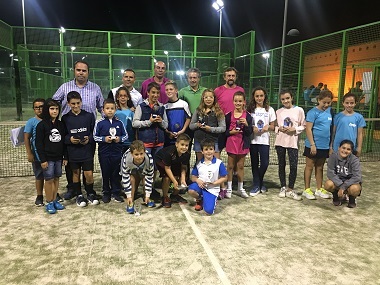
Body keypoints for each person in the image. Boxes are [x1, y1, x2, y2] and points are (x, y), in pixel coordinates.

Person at [52, 60, 104, 200]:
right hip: (70, 131)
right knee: (71, 165)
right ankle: (73, 189)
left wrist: (110, 121)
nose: (81, 73)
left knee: (87, 164)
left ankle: (89, 190)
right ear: (74, 71)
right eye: (78, 70)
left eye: (84, 70)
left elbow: (101, 107)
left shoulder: (95, 88)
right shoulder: (64, 87)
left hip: (88, 132)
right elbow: (54, 103)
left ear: (88, 72)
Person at [61, 91, 99, 207]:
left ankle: (90, 193)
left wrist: (89, 139)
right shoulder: (65, 118)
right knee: (75, 173)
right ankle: (79, 195)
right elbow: (63, 136)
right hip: (73, 152)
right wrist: (70, 139)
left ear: (81, 102)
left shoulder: (88, 116)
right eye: (73, 104)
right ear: (68, 104)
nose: (76, 106)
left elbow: (94, 133)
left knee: (89, 175)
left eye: (78, 103)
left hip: (86, 151)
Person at [132, 82, 168, 202]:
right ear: (148, 93)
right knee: (144, 168)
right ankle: (143, 192)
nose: (155, 95)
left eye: (157, 92)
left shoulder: (162, 107)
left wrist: (161, 121)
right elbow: (135, 123)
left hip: (159, 143)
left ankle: (150, 190)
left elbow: (166, 125)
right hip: (146, 143)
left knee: (155, 168)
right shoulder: (141, 106)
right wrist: (149, 122)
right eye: (153, 92)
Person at [35, 99, 67, 214]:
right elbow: (38, 144)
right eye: (52, 109)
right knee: (49, 180)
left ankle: (54, 200)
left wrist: (65, 157)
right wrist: (42, 159)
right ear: (47, 110)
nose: (55, 111)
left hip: (58, 158)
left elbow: (64, 142)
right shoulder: (41, 125)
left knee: (57, 178)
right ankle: (49, 202)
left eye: (57, 109)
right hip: (47, 159)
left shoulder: (61, 124)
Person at [218, 91, 253, 199]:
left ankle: (240, 188)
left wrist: (246, 125)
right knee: (230, 166)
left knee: (240, 166)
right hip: (231, 143)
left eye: (240, 101)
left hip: (242, 144)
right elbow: (225, 131)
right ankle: (229, 188)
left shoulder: (248, 115)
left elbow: (249, 132)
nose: (238, 103)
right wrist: (231, 132)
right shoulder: (228, 115)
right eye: (236, 101)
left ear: (244, 102)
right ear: (233, 102)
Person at [94, 98, 128, 203]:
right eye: (107, 108)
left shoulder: (119, 123)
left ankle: (116, 192)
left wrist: (119, 139)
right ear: (103, 110)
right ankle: (106, 192)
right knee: (105, 172)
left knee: (115, 173)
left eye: (112, 108)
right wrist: (104, 139)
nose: (110, 110)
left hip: (116, 152)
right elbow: (95, 137)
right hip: (104, 152)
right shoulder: (99, 123)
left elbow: (125, 135)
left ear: (115, 109)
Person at [302, 90, 334, 200]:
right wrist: (312, 144)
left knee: (320, 167)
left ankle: (319, 189)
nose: (326, 105)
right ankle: (306, 189)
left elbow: (330, 130)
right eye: (324, 102)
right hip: (312, 145)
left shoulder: (330, 112)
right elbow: (308, 129)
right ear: (319, 100)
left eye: (328, 102)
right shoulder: (312, 112)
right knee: (309, 167)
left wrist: (330, 146)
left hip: (324, 146)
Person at [275, 89, 305, 200]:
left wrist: (295, 129)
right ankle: (283, 186)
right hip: (280, 142)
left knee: (293, 166)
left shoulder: (299, 110)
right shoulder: (278, 112)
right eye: (283, 99)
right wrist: (279, 128)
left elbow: (304, 125)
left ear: (292, 98)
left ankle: (290, 189)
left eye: (287, 98)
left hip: (293, 143)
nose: (285, 101)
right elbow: (275, 127)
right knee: (281, 164)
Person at [246, 87, 276, 196]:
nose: (259, 98)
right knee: (254, 163)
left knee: (265, 163)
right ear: (254, 97)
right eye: (257, 96)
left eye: (261, 96)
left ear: (264, 97)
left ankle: (259, 182)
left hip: (265, 141)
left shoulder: (270, 109)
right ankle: (256, 185)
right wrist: (252, 127)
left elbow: (273, 126)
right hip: (253, 141)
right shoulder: (250, 110)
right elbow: (247, 123)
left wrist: (268, 127)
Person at [188, 138, 227, 215]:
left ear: (214, 150)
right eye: (206, 149)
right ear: (202, 151)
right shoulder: (199, 163)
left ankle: (211, 200)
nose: (208, 151)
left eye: (211, 149)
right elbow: (193, 177)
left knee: (208, 211)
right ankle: (200, 200)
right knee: (191, 190)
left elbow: (225, 177)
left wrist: (215, 183)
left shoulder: (219, 163)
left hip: (212, 189)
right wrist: (197, 180)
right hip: (201, 186)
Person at [155, 134, 191, 208]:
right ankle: (165, 197)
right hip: (161, 161)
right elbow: (167, 168)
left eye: (186, 145)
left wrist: (183, 179)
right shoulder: (169, 153)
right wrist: (174, 181)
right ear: (176, 144)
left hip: (174, 161)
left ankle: (174, 195)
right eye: (182, 144)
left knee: (180, 177)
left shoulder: (187, 154)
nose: (184, 147)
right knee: (167, 178)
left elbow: (184, 167)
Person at [189, 88, 226, 161]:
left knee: (215, 164)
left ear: (214, 99)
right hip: (199, 141)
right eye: (206, 97)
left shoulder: (218, 111)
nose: (208, 99)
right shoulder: (198, 110)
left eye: (211, 97)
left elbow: (223, 128)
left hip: (213, 141)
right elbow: (191, 126)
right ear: (203, 99)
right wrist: (197, 125)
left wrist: (210, 129)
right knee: (200, 164)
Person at [120, 140, 156, 214]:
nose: (139, 157)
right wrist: (128, 195)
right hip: (131, 169)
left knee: (145, 179)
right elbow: (125, 178)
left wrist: (148, 194)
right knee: (131, 180)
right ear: (131, 154)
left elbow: (149, 177)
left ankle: (147, 199)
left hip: (143, 169)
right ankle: (130, 202)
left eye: (141, 154)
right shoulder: (126, 160)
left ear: (145, 152)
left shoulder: (149, 160)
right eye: (136, 154)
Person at [325, 139, 362, 208]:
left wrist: (343, 186)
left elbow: (357, 177)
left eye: (348, 149)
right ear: (339, 148)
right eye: (343, 148)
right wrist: (340, 185)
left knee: (355, 189)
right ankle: (336, 196)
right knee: (328, 184)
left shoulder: (354, 160)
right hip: (338, 181)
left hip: (350, 183)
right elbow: (330, 173)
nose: (345, 151)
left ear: (351, 151)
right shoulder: (333, 157)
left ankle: (352, 199)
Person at [24, 98, 46, 206]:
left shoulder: (50, 120)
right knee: (39, 176)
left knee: (51, 176)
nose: (39, 109)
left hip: (50, 155)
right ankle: (39, 196)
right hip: (37, 155)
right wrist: (29, 153)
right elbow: (26, 138)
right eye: (36, 107)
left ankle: (54, 194)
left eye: (41, 106)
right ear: (34, 109)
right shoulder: (31, 122)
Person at [331, 93, 366, 157]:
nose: (349, 105)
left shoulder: (359, 117)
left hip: (351, 148)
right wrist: (331, 146)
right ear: (343, 103)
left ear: (355, 103)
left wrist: (359, 147)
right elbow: (333, 132)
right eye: (347, 103)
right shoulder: (337, 116)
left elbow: (360, 134)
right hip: (337, 147)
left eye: (352, 103)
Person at [163, 81, 191, 147]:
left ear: (176, 91)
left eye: (171, 89)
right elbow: (163, 122)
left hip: (181, 137)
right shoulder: (164, 106)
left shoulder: (183, 104)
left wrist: (183, 130)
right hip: (169, 138)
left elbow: (188, 118)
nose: (168, 91)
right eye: (166, 90)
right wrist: (168, 132)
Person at [114, 86, 135, 153]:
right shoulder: (115, 113)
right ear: (117, 98)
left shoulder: (132, 112)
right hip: (119, 143)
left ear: (128, 98)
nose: (123, 97)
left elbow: (135, 128)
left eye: (125, 96)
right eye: (120, 96)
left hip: (130, 142)